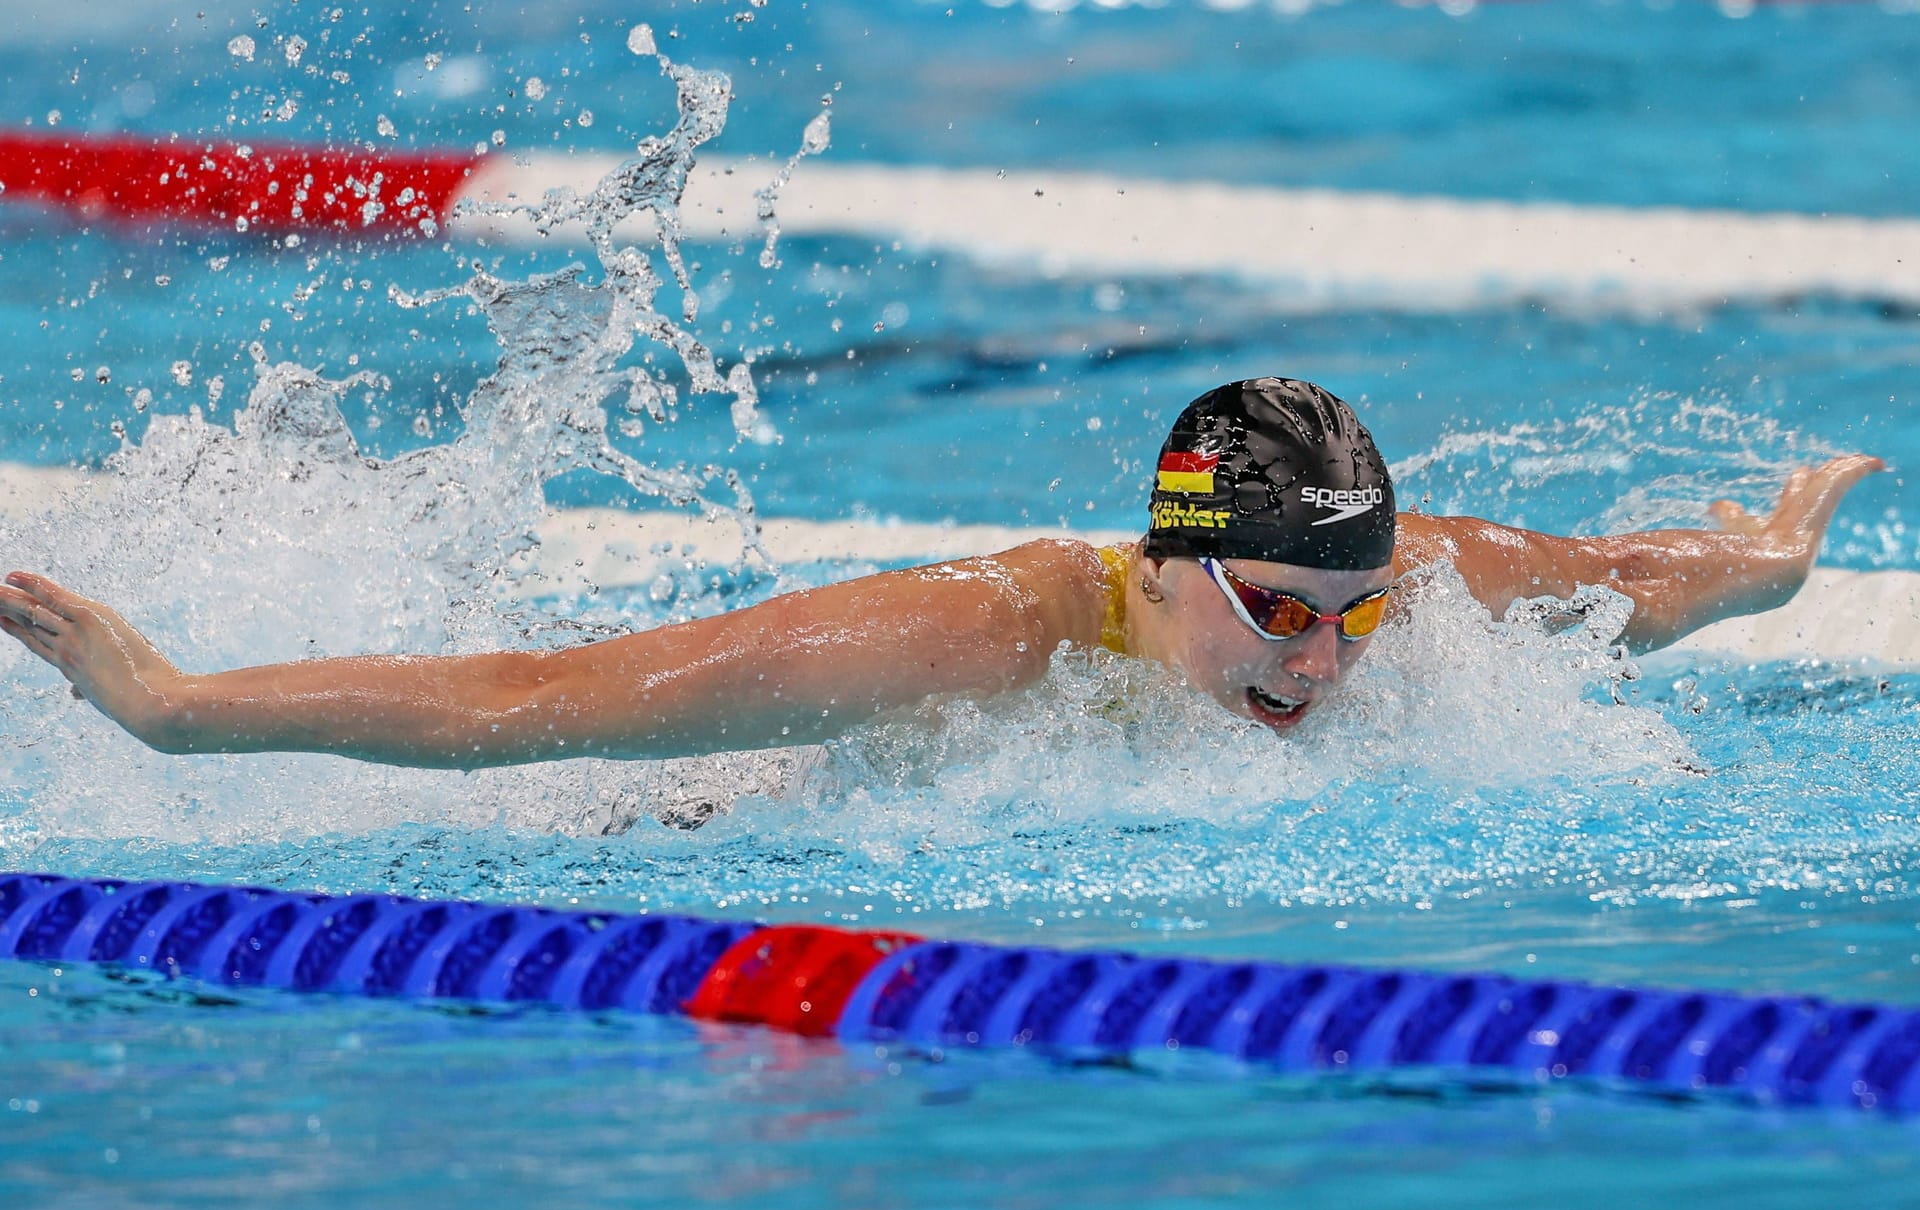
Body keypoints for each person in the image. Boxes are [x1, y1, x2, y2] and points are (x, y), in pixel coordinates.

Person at [0, 377, 1882, 768]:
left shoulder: (1427, 581)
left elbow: (1644, 581)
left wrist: (1776, 556)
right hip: (718, 818)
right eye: (1279, 615)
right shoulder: (967, 639)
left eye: (1355, 615)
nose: (1325, 664)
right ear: (1166, 568)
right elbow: (531, 705)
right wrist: (170, 709)